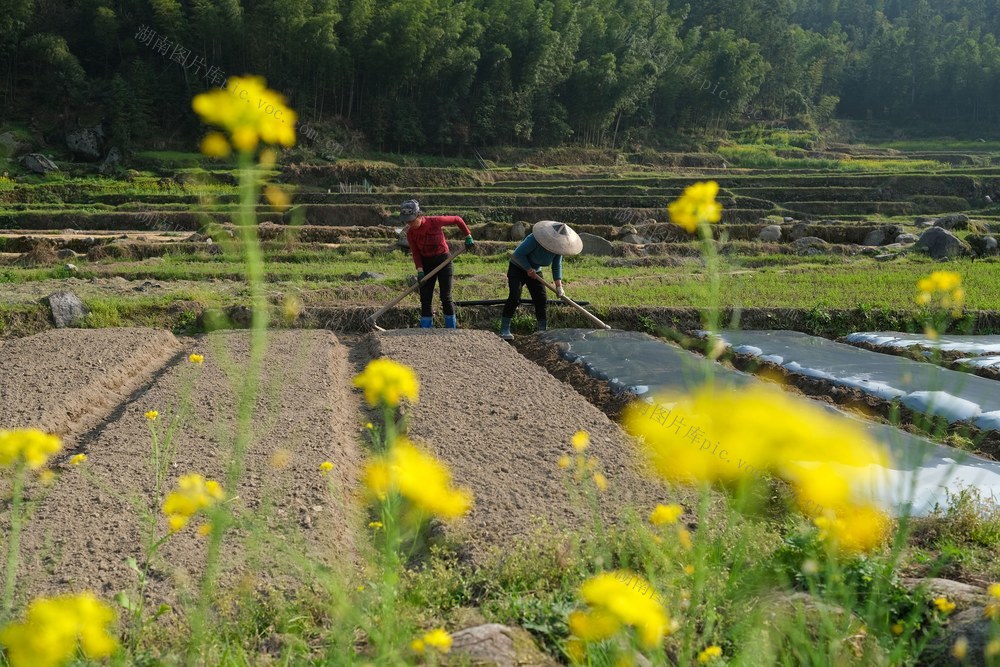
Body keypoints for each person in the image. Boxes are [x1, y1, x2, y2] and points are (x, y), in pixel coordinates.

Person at [500, 220, 582, 340]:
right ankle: (504, 329)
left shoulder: (558, 247)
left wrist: (559, 286)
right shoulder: (535, 239)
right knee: (514, 297)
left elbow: (556, 266)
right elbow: (518, 254)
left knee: (541, 299)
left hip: (535, 271)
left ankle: (542, 331)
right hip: (518, 266)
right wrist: (528, 268)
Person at [402, 200, 474, 329]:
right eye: (407, 221)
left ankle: (451, 330)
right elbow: (416, 253)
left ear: (419, 215)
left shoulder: (434, 221)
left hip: (443, 261)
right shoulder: (410, 233)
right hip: (426, 264)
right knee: (425, 298)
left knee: (445, 297)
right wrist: (420, 270)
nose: (410, 224)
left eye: (412, 220)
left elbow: (457, 219)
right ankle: (425, 329)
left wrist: (467, 235)